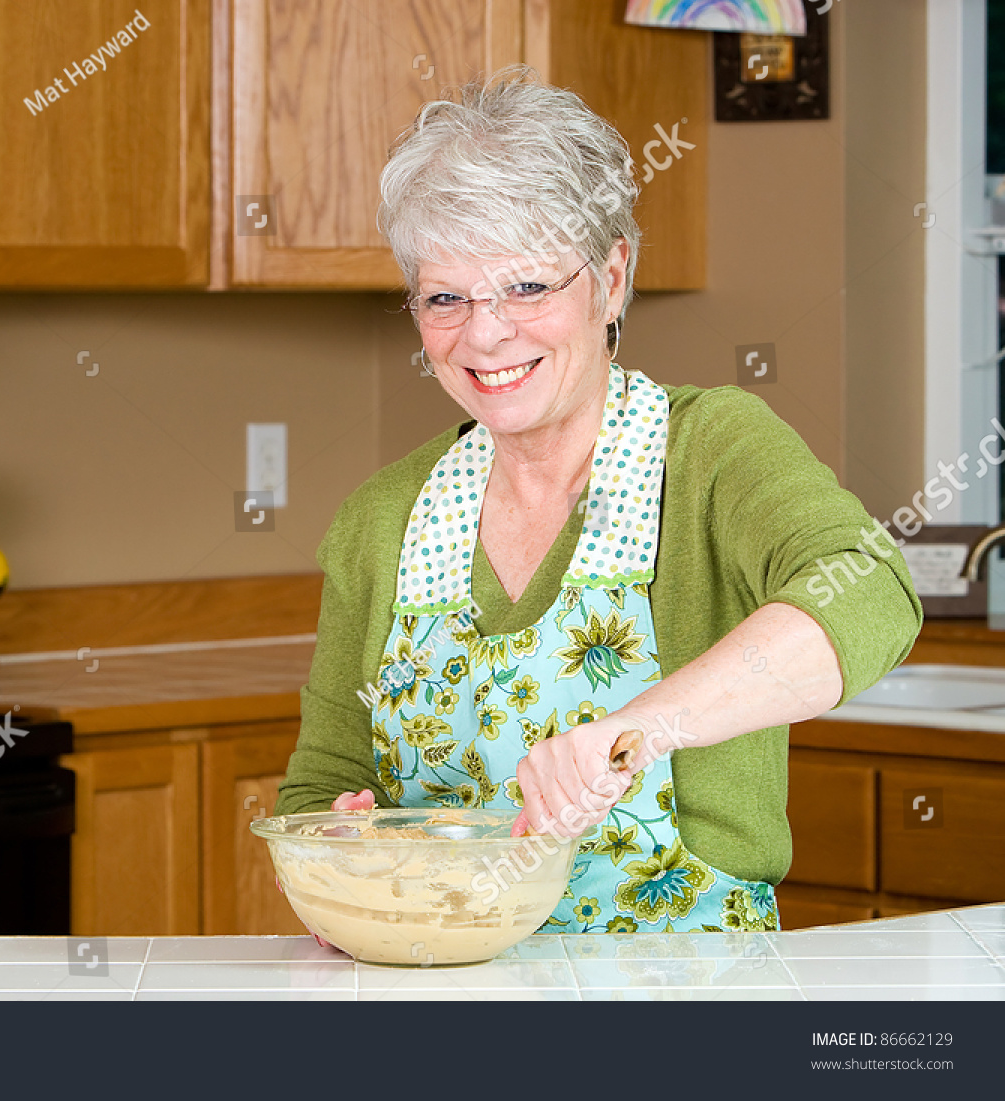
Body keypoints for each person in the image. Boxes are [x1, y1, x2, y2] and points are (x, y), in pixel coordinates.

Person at [273, 67, 921, 934]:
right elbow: (320, 784)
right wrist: (337, 854)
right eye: (445, 298)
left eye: (528, 286)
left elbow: (871, 589)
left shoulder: (710, 451)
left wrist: (639, 728)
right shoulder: (383, 516)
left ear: (611, 279)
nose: (486, 332)